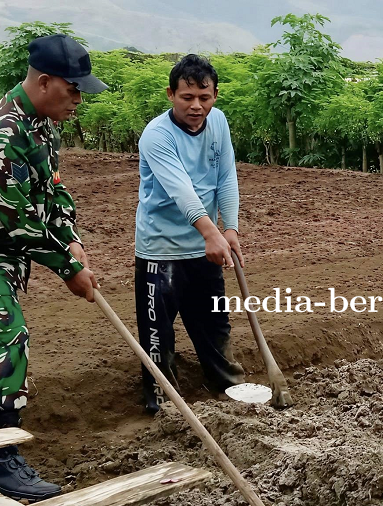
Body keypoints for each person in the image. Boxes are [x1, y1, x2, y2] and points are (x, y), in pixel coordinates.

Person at [0, 34, 106, 501]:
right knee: (4, 337)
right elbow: (19, 219)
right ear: (44, 82)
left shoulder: (43, 124)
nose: (79, 99)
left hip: (2, 253)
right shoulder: (2, 131)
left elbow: (53, 190)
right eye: (73, 89)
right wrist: (67, 268)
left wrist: (71, 237)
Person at [135, 54, 245, 415]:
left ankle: (230, 389)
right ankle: (163, 407)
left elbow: (225, 176)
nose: (196, 106)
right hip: (161, 249)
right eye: (187, 97)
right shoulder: (157, 135)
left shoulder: (219, 122)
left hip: (205, 246)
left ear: (215, 95)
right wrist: (211, 233)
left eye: (204, 97)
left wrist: (230, 228)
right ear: (171, 94)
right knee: (158, 336)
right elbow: (180, 189)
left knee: (214, 324)